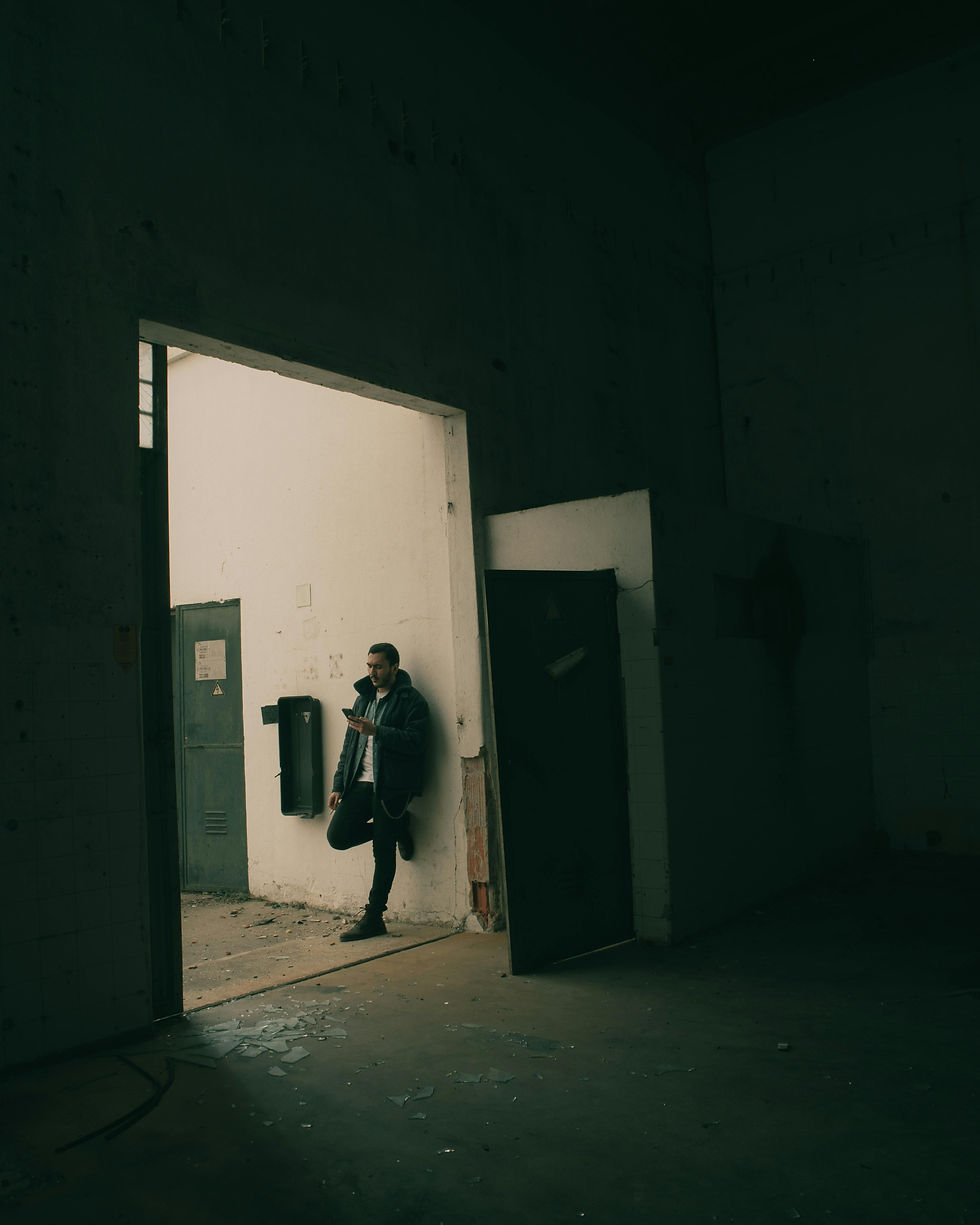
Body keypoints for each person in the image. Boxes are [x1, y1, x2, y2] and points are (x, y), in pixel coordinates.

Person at [326, 643, 429, 941]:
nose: (372, 672)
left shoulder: (412, 701)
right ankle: (398, 827)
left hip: (391, 785)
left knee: (382, 852)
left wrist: (378, 731)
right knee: (337, 836)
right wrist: (338, 785)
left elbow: (417, 742)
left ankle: (374, 917)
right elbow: (349, 746)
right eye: (369, 666)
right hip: (360, 783)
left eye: (378, 666)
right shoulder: (362, 699)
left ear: (395, 667)